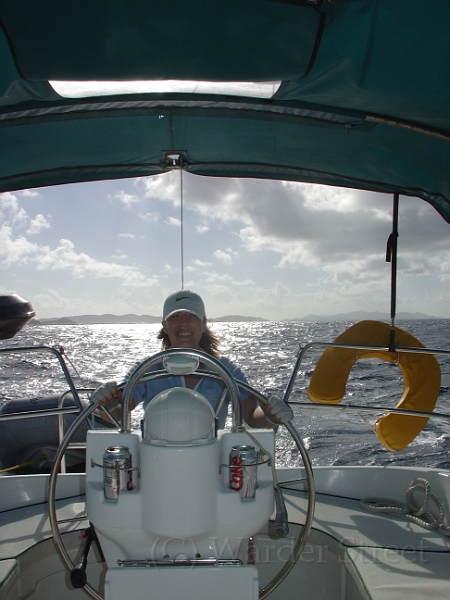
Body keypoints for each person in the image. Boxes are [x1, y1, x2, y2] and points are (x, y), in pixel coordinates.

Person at [92, 290, 293, 428]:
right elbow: (118, 414)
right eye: (175, 317)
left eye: (192, 316)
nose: (184, 323)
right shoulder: (145, 369)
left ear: (204, 324)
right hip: (154, 461)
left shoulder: (226, 369)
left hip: (212, 462)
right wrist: (106, 403)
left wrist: (271, 416)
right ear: (165, 326)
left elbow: (251, 415)